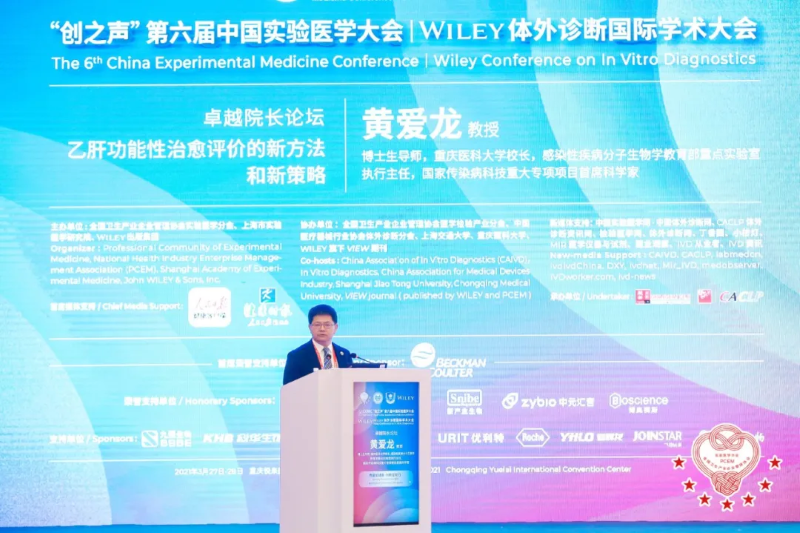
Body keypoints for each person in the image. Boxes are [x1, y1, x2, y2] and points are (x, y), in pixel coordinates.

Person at [282, 304, 353, 385]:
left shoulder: (345, 355)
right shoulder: (296, 356)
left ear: (335, 327)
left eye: (327, 325)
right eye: (317, 324)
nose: (322, 329)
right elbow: (288, 388)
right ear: (310, 327)